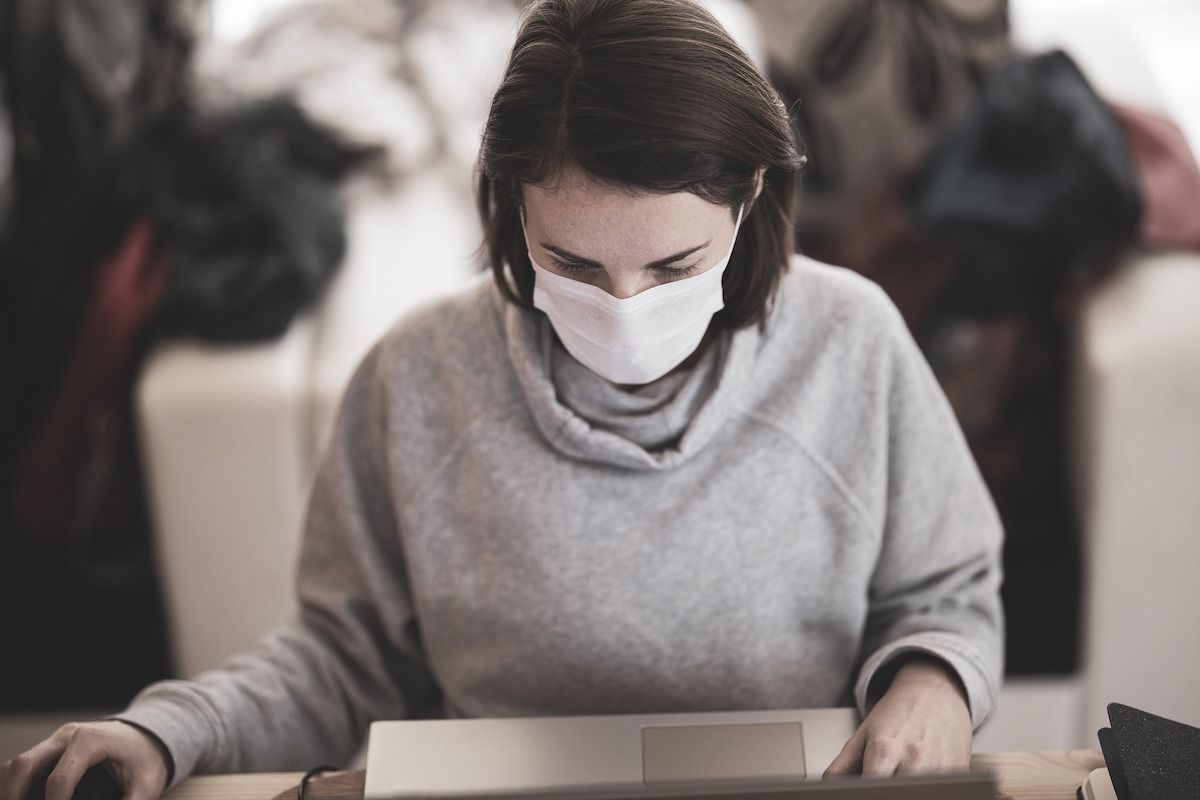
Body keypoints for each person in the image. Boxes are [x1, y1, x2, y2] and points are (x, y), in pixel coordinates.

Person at [0, 0, 1004, 798]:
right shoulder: (417, 376)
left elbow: (949, 588)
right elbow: (340, 658)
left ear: (749, 203)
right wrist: (167, 729)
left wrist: (932, 680)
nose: (623, 310)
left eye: (671, 264)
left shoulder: (851, 340)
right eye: (573, 261)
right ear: (508, 211)